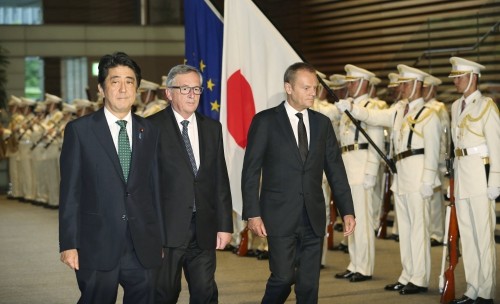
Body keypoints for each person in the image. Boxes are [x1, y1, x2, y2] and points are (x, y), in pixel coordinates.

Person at [242, 62, 355, 304]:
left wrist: (347, 210)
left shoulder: (322, 123)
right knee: (283, 278)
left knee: (308, 285)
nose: (313, 93)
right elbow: (251, 171)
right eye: (306, 88)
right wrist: (252, 213)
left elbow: (335, 169)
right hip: (279, 215)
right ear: (288, 88)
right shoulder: (265, 121)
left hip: (313, 215)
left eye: (314, 88)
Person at [59, 51, 164, 304]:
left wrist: (159, 238)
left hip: (142, 245)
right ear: (102, 88)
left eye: (129, 81)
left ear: (137, 88)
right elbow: (70, 191)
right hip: (96, 244)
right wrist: (68, 243)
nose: (123, 88)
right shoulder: (80, 131)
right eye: (115, 81)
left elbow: (155, 188)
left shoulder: (149, 130)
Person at [337, 64, 441, 295]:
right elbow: (373, 116)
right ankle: (407, 275)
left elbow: (433, 151)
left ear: (416, 85)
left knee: (418, 229)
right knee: (404, 229)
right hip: (401, 175)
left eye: (405, 84)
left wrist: (428, 179)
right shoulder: (398, 110)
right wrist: (352, 108)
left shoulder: (429, 115)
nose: (401, 88)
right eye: (401, 84)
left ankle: (420, 278)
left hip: (417, 175)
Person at [147, 64, 233, 304]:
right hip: (166, 230)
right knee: (164, 294)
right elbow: (144, 185)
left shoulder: (211, 128)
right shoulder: (150, 127)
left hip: (203, 228)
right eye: (185, 89)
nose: (192, 95)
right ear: (168, 92)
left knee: (205, 293)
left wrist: (225, 225)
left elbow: (220, 179)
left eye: (196, 89)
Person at [447, 57, 499, 304]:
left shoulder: (486, 105)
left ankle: (486, 292)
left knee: (483, 236)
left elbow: (497, 146)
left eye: (459, 77)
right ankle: (472, 288)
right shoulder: (456, 106)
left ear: (472, 78)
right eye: (455, 77)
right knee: (467, 236)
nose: (456, 81)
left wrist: (496, 182)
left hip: (480, 176)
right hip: (463, 177)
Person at [334, 64, 384, 283]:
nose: (349, 85)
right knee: (350, 218)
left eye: (353, 81)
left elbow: (376, 140)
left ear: (364, 83)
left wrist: (371, 170)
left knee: (362, 220)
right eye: (349, 81)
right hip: (347, 165)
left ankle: (364, 267)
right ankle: (354, 263)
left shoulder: (370, 107)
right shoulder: (348, 106)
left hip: (361, 166)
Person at [423, 74, 449, 247]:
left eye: (426, 88)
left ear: (433, 88)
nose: (423, 90)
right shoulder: (421, 107)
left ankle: (437, 233)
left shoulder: (439, 108)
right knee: (427, 199)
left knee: (436, 199)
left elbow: (444, 136)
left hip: (436, 158)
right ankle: (428, 231)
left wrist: (442, 159)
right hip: (422, 158)